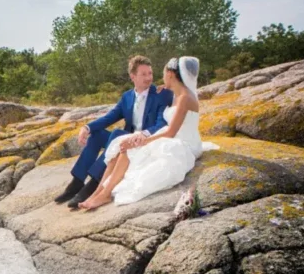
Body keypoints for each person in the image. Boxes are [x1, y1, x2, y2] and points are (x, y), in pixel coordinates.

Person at [79, 56, 206, 210]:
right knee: (120, 147)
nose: (154, 78)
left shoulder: (185, 98)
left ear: (171, 75)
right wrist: (165, 86)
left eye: (162, 73)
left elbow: (171, 132)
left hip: (183, 141)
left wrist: (145, 140)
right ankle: (97, 193)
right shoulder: (177, 93)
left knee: (129, 148)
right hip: (170, 135)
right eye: (146, 74)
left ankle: (106, 193)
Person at [54, 55, 174, 209]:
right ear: (133, 76)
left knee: (117, 134)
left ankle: (93, 185)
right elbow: (109, 117)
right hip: (126, 138)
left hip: (143, 140)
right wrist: (87, 127)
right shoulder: (127, 97)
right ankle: (76, 183)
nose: (149, 78)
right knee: (97, 135)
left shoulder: (161, 94)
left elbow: (161, 123)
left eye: (150, 73)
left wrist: (144, 134)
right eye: (143, 74)